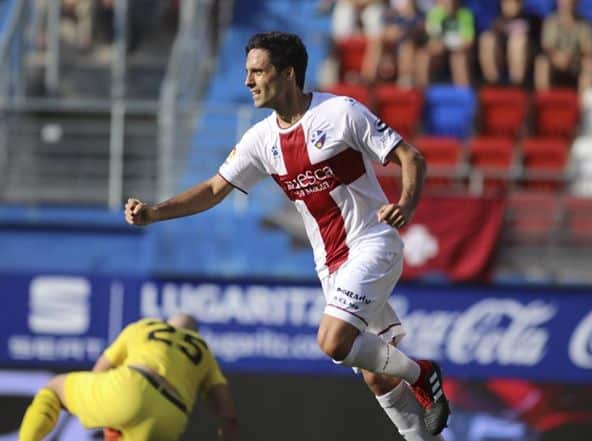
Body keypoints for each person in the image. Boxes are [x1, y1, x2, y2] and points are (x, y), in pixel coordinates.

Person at [123, 31, 450, 439]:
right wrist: (155, 212)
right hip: (331, 266)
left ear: (289, 74)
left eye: (258, 71)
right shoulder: (261, 140)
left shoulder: (340, 113)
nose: (248, 81)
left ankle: (422, 374)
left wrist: (406, 204)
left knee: (332, 342)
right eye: (246, 72)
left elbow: (410, 156)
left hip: (372, 243)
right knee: (377, 376)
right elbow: (212, 190)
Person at [18, 313, 239, 441]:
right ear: (194, 334)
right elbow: (228, 415)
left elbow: (99, 371)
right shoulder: (203, 351)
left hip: (134, 387)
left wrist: (109, 414)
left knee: (54, 390)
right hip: (170, 418)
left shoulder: (145, 326)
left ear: (167, 322)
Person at [533, 0, 592, 92]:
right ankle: (543, 101)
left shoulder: (584, 24)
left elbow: (589, 50)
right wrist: (557, 57)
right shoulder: (551, 21)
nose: (567, 3)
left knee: (590, 65)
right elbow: (547, 46)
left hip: (575, 64)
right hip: (554, 62)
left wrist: (572, 57)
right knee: (542, 62)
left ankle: (584, 103)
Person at [420, 0, 475, 86]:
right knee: (423, 56)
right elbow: (432, 41)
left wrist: (453, 46)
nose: (449, 3)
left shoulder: (465, 14)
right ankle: (422, 92)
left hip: (459, 50)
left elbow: (468, 42)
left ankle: (463, 93)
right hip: (440, 51)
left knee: (458, 58)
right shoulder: (434, 13)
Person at [478, 0, 531, 86]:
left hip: (524, 61)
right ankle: (492, 81)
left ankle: (516, 83)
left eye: (511, 3)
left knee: (516, 42)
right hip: (501, 60)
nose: (508, 6)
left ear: (519, 4)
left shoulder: (530, 20)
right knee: (487, 39)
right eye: (505, 3)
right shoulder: (497, 21)